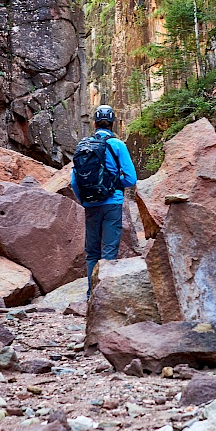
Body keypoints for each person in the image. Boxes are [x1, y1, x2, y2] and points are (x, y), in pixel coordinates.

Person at [71, 105, 137, 297]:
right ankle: (104, 298)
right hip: (112, 203)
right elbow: (131, 179)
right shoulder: (117, 145)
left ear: (94, 124)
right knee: (108, 253)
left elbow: (74, 180)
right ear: (113, 124)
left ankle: (91, 295)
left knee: (92, 253)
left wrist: (84, 198)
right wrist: (116, 185)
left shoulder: (83, 146)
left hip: (90, 204)